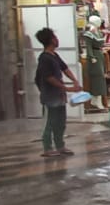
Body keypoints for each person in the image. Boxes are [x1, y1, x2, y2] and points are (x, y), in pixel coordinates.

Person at [33, 28, 83, 158]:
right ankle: (47, 147)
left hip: (59, 96)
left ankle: (60, 145)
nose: (57, 39)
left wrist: (74, 81)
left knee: (60, 122)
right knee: (49, 122)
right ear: (51, 40)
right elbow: (49, 78)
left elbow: (65, 68)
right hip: (50, 96)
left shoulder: (54, 55)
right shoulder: (44, 58)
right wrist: (67, 88)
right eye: (55, 37)